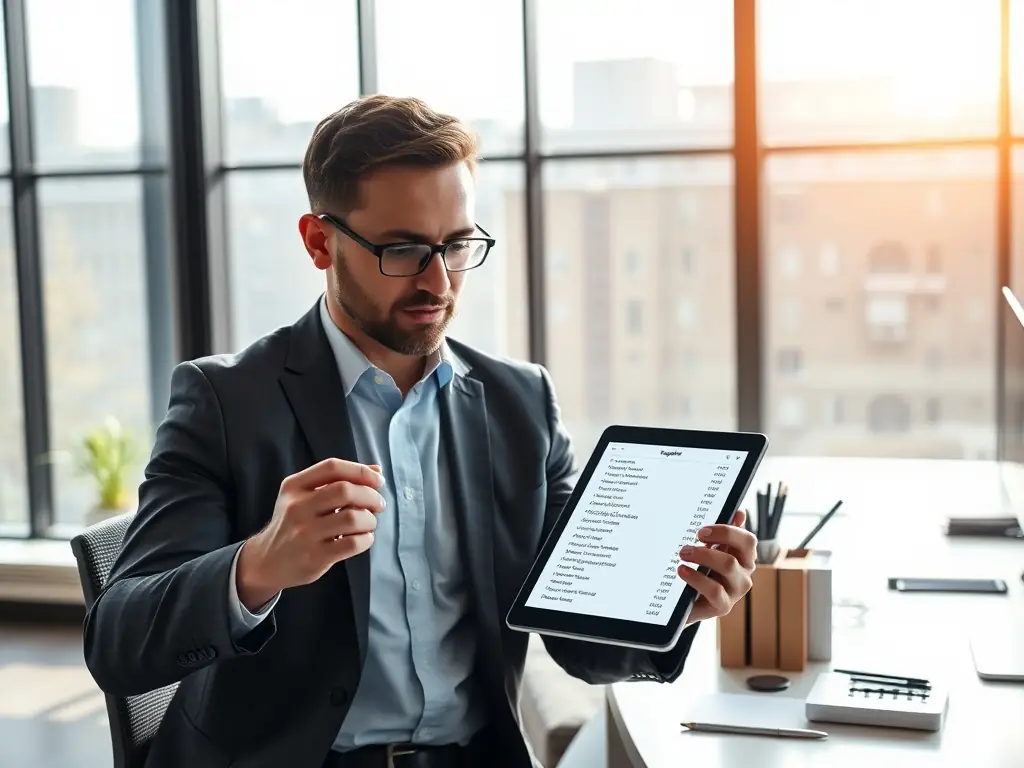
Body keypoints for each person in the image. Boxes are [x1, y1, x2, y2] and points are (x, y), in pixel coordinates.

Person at [83, 94, 757, 768]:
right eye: (403, 250)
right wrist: (257, 566)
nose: (438, 281)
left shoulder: (521, 403)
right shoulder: (227, 400)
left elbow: (579, 644)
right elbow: (119, 642)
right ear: (320, 241)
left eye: (457, 245)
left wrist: (678, 605)